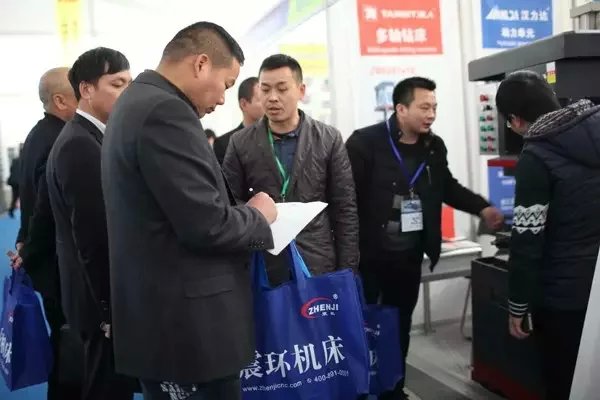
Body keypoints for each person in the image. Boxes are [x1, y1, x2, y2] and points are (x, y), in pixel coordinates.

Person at [101, 22, 277, 400]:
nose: (223, 99)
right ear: (201, 64)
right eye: (226, 84)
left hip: (162, 318)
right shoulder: (166, 112)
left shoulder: (136, 102)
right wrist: (259, 215)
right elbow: (207, 225)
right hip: (188, 330)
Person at [346, 77, 503, 400]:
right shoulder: (365, 143)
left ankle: (394, 388)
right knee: (362, 325)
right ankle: (359, 390)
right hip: (369, 257)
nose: (431, 114)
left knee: (399, 324)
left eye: (434, 107)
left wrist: (482, 208)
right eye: (424, 107)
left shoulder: (433, 147)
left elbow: (447, 186)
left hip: (408, 256)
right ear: (401, 109)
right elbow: (345, 199)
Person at [496, 71, 600, 400]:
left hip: (565, 296)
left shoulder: (536, 157)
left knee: (564, 382)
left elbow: (528, 240)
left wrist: (518, 304)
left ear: (515, 120)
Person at [46, 47, 134, 400]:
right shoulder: (80, 145)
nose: (126, 93)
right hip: (96, 302)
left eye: (129, 84)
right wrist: (108, 310)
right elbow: (93, 237)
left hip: (92, 296)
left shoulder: (91, 137)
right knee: (105, 389)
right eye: (117, 84)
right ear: (86, 89)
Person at [223, 54, 358, 283]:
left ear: (301, 90)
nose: (272, 97)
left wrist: (347, 272)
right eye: (265, 89)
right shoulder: (240, 142)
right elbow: (229, 202)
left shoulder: (328, 139)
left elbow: (344, 208)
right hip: (264, 259)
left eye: (282, 89)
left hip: (317, 260)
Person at [8, 67, 80, 399]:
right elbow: (44, 211)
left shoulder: (40, 134)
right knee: (72, 351)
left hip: (47, 262)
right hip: (59, 266)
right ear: (60, 100)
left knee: (65, 346)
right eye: (80, 91)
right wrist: (29, 250)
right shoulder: (60, 141)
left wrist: (25, 245)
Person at [213, 76, 263, 164]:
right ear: (243, 104)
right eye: (261, 99)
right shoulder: (224, 144)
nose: (268, 103)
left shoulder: (277, 137)